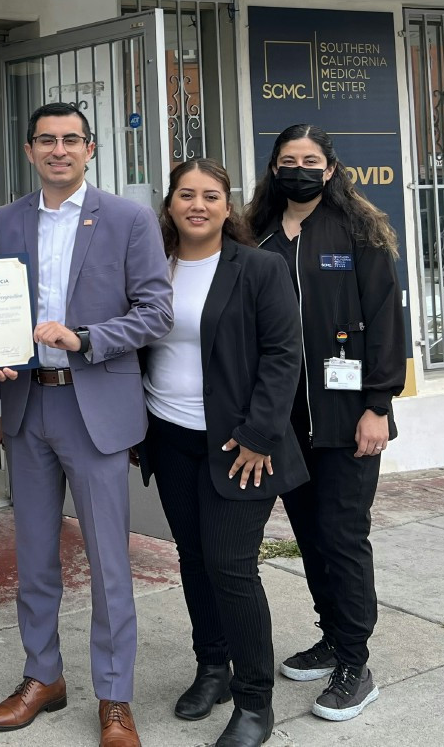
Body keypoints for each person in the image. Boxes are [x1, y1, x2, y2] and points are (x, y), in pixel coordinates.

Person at [0, 104, 172, 747]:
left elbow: (155, 313)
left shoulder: (127, 218)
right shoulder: (7, 220)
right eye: (45, 140)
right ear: (29, 150)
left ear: (90, 149)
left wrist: (86, 338)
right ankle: (44, 677)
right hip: (27, 407)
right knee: (33, 557)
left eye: (71, 140)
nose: (58, 150)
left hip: (95, 408)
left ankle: (114, 697)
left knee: (110, 564)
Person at [136, 159, 305, 747]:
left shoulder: (260, 267)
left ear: (228, 206)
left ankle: (257, 702)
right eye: (186, 194)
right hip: (169, 436)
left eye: (211, 195)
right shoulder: (152, 267)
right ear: (170, 204)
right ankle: (214, 668)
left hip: (240, 446)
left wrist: (261, 434)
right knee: (193, 559)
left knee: (232, 567)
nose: (198, 205)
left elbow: (285, 354)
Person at [246, 124, 406, 724]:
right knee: (310, 535)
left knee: (342, 537)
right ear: (274, 169)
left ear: (330, 170)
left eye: (310, 160)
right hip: (282, 421)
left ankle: (355, 662)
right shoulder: (256, 234)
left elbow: (385, 319)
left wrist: (378, 407)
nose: (299, 169)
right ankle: (333, 635)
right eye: (288, 160)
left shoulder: (357, 231)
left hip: (347, 419)